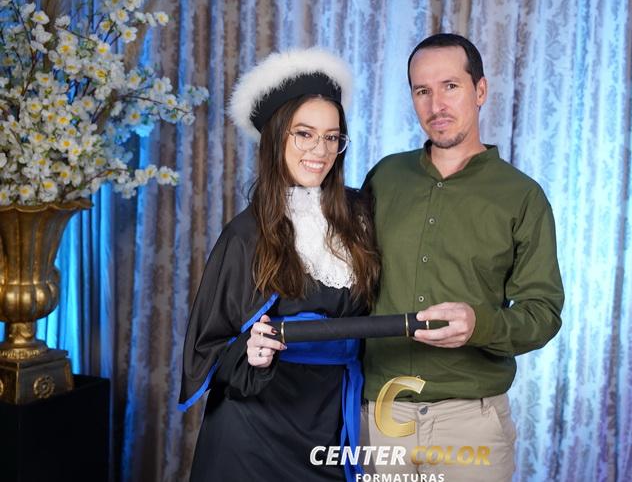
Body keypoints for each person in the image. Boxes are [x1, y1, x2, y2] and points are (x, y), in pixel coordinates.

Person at [360, 33, 565, 481]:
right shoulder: (384, 177)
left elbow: (543, 313)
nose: (436, 104)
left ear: (480, 90)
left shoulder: (523, 196)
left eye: (450, 86)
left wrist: (480, 325)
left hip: (471, 423)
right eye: (422, 90)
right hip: (380, 420)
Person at [179, 48, 380, 482]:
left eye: (332, 137)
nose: (320, 150)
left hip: (330, 422)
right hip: (254, 433)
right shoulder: (244, 235)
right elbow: (205, 351)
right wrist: (249, 352)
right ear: (276, 138)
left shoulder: (361, 219)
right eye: (304, 134)